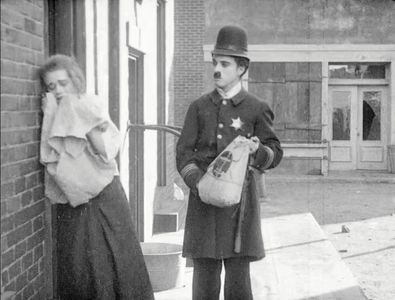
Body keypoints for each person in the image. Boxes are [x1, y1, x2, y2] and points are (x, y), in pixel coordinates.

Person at [176, 25, 283, 299]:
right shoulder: (198, 108)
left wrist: (259, 151)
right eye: (215, 63)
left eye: (225, 64)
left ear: (241, 68)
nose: (217, 69)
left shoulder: (256, 108)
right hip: (204, 206)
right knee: (204, 283)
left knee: (238, 283)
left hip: (240, 209)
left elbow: (274, 152)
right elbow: (184, 153)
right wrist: (199, 184)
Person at [38, 54, 154, 300]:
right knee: (82, 270)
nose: (58, 90)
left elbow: (105, 151)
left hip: (105, 199)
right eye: (51, 86)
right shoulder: (53, 116)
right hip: (75, 204)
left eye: (63, 83)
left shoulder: (89, 105)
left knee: (118, 264)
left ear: (75, 82)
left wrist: (84, 122)